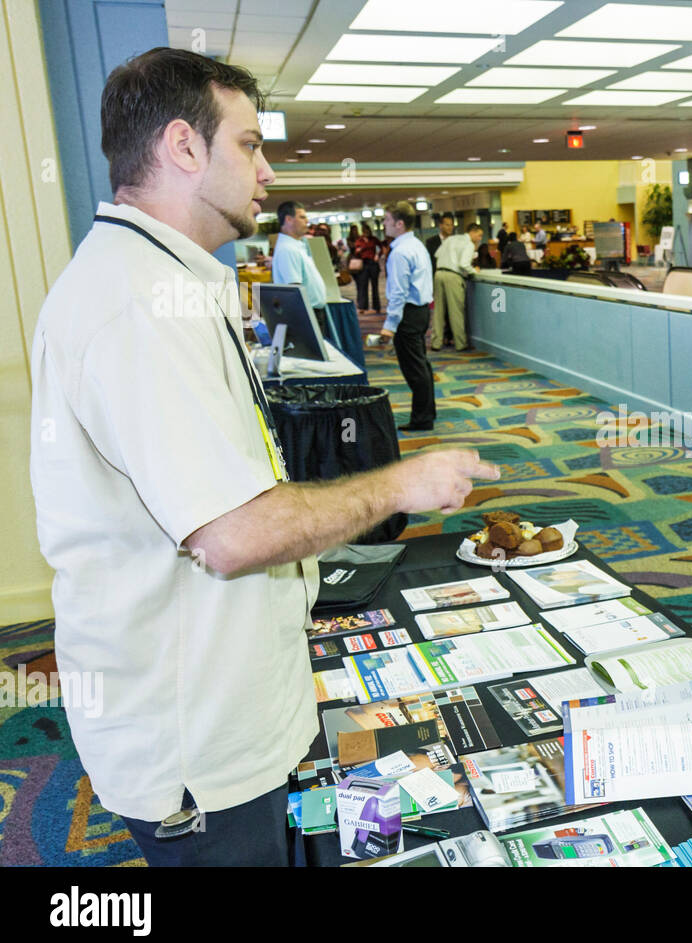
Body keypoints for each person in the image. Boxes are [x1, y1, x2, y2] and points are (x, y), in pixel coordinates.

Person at [28, 47, 498, 866]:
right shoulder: (138, 305)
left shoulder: (163, 281)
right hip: (195, 741)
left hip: (222, 697)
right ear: (183, 147)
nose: (268, 169)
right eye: (248, 144)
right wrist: (403, 481)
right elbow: (232, 534)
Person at [378, 201, 437, 430]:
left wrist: (389, 325)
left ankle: (422, 419)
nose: (384, 224)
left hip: (408, 314)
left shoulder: (400, 252)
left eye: (387, 220)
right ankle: (427, 413)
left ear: (399, 224)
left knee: (414, 369)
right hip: (421, 311)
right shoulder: (417, 245)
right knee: (421, 365)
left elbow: (399, 293)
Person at [270, 199, 329, 328]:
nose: (306, 221)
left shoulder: (295, 245)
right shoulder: (288, 249)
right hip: (305, 315)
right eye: (302, 217)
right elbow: (294, 290)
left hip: (311, 313)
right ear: (288, 219)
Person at [433, 221, 482, 352]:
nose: (479, 238)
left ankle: (436, 343)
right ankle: (460, 343)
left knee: (438, 311)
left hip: (438, 274)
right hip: (453, 276)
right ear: (472, 232)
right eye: (479, 235)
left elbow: (437, 255)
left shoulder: (451, 239)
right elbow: (464, 264)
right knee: (456, 312)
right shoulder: (468, 244)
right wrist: (474, 271)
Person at [353, 223, 381, 313]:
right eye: (365, 232)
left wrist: (378, 255)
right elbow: (356, 252)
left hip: (373, 263)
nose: (366, 233)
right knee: (363, 286)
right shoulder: (359, 240)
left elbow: (381, 247)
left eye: (368, 231)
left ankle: (376, 307)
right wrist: (359, 250)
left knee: (375, 286)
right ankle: (363, 307)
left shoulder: (374, 239)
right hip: (364, 264)